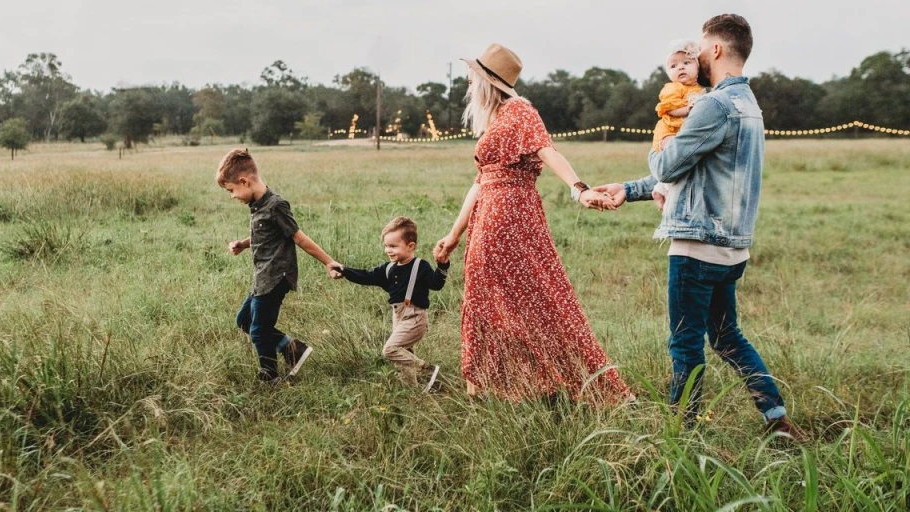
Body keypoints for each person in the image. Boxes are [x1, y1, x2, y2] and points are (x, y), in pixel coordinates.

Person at [595, 14, 805, 438]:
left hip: (696, 246)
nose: (694, 57)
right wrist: (629, 189)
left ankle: (681, 432)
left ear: (716, 49)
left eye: (700, 48)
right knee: (727, 337)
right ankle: (776, 418)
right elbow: (695, 171)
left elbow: (670, 163)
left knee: (684, 342)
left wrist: (661, 147)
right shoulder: (748, 104)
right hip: (732, 248)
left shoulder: (712, 104)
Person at [433, 43, 631, 403]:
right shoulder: (495, 119)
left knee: (534, 300)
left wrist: (579, 189)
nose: (467, 83)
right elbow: (480, 182)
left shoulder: (520, 111)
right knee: (488, 300)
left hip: (509, 216)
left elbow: (548, 150)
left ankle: (547, 383)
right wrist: (454, 234)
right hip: (489, 215)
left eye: (472, 76)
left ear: (487, 81)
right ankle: (494, 387)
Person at [217, 148, 342, 384]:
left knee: (259, 330)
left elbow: (299, 237)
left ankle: (270, 376)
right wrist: (244, 244)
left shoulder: (276, 205)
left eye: (231, 190)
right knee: (244, 320)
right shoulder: (257, 205)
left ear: (244, 181)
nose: (232, 196)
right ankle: (293, 349)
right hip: (262, 277)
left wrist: (329, 262)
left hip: (276, 277)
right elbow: (265, 235)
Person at [332, 217, 449, 392]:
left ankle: (427, 369)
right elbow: (366, 276)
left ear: (411, 246)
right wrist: (344, 270)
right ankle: (413, 392)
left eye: (393, 246)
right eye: (386, 246)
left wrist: (442, 265)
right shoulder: (388, 268)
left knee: (390, 350)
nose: (388, 250)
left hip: (415, 317)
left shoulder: (420, 266)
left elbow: (436, 284)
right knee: (403, 359)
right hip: (398, 317)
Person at [651, 39, 706, 211]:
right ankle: (664, 190)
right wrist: (687, 109)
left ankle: (661, 188)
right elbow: (669, 108)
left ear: (697, 67)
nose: (680, 68)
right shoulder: (673, 87)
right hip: (668, 130)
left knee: (683, 160)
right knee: (674, 154)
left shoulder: (700, 89)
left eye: (686, 63)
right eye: (674, 66)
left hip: (681, 131)